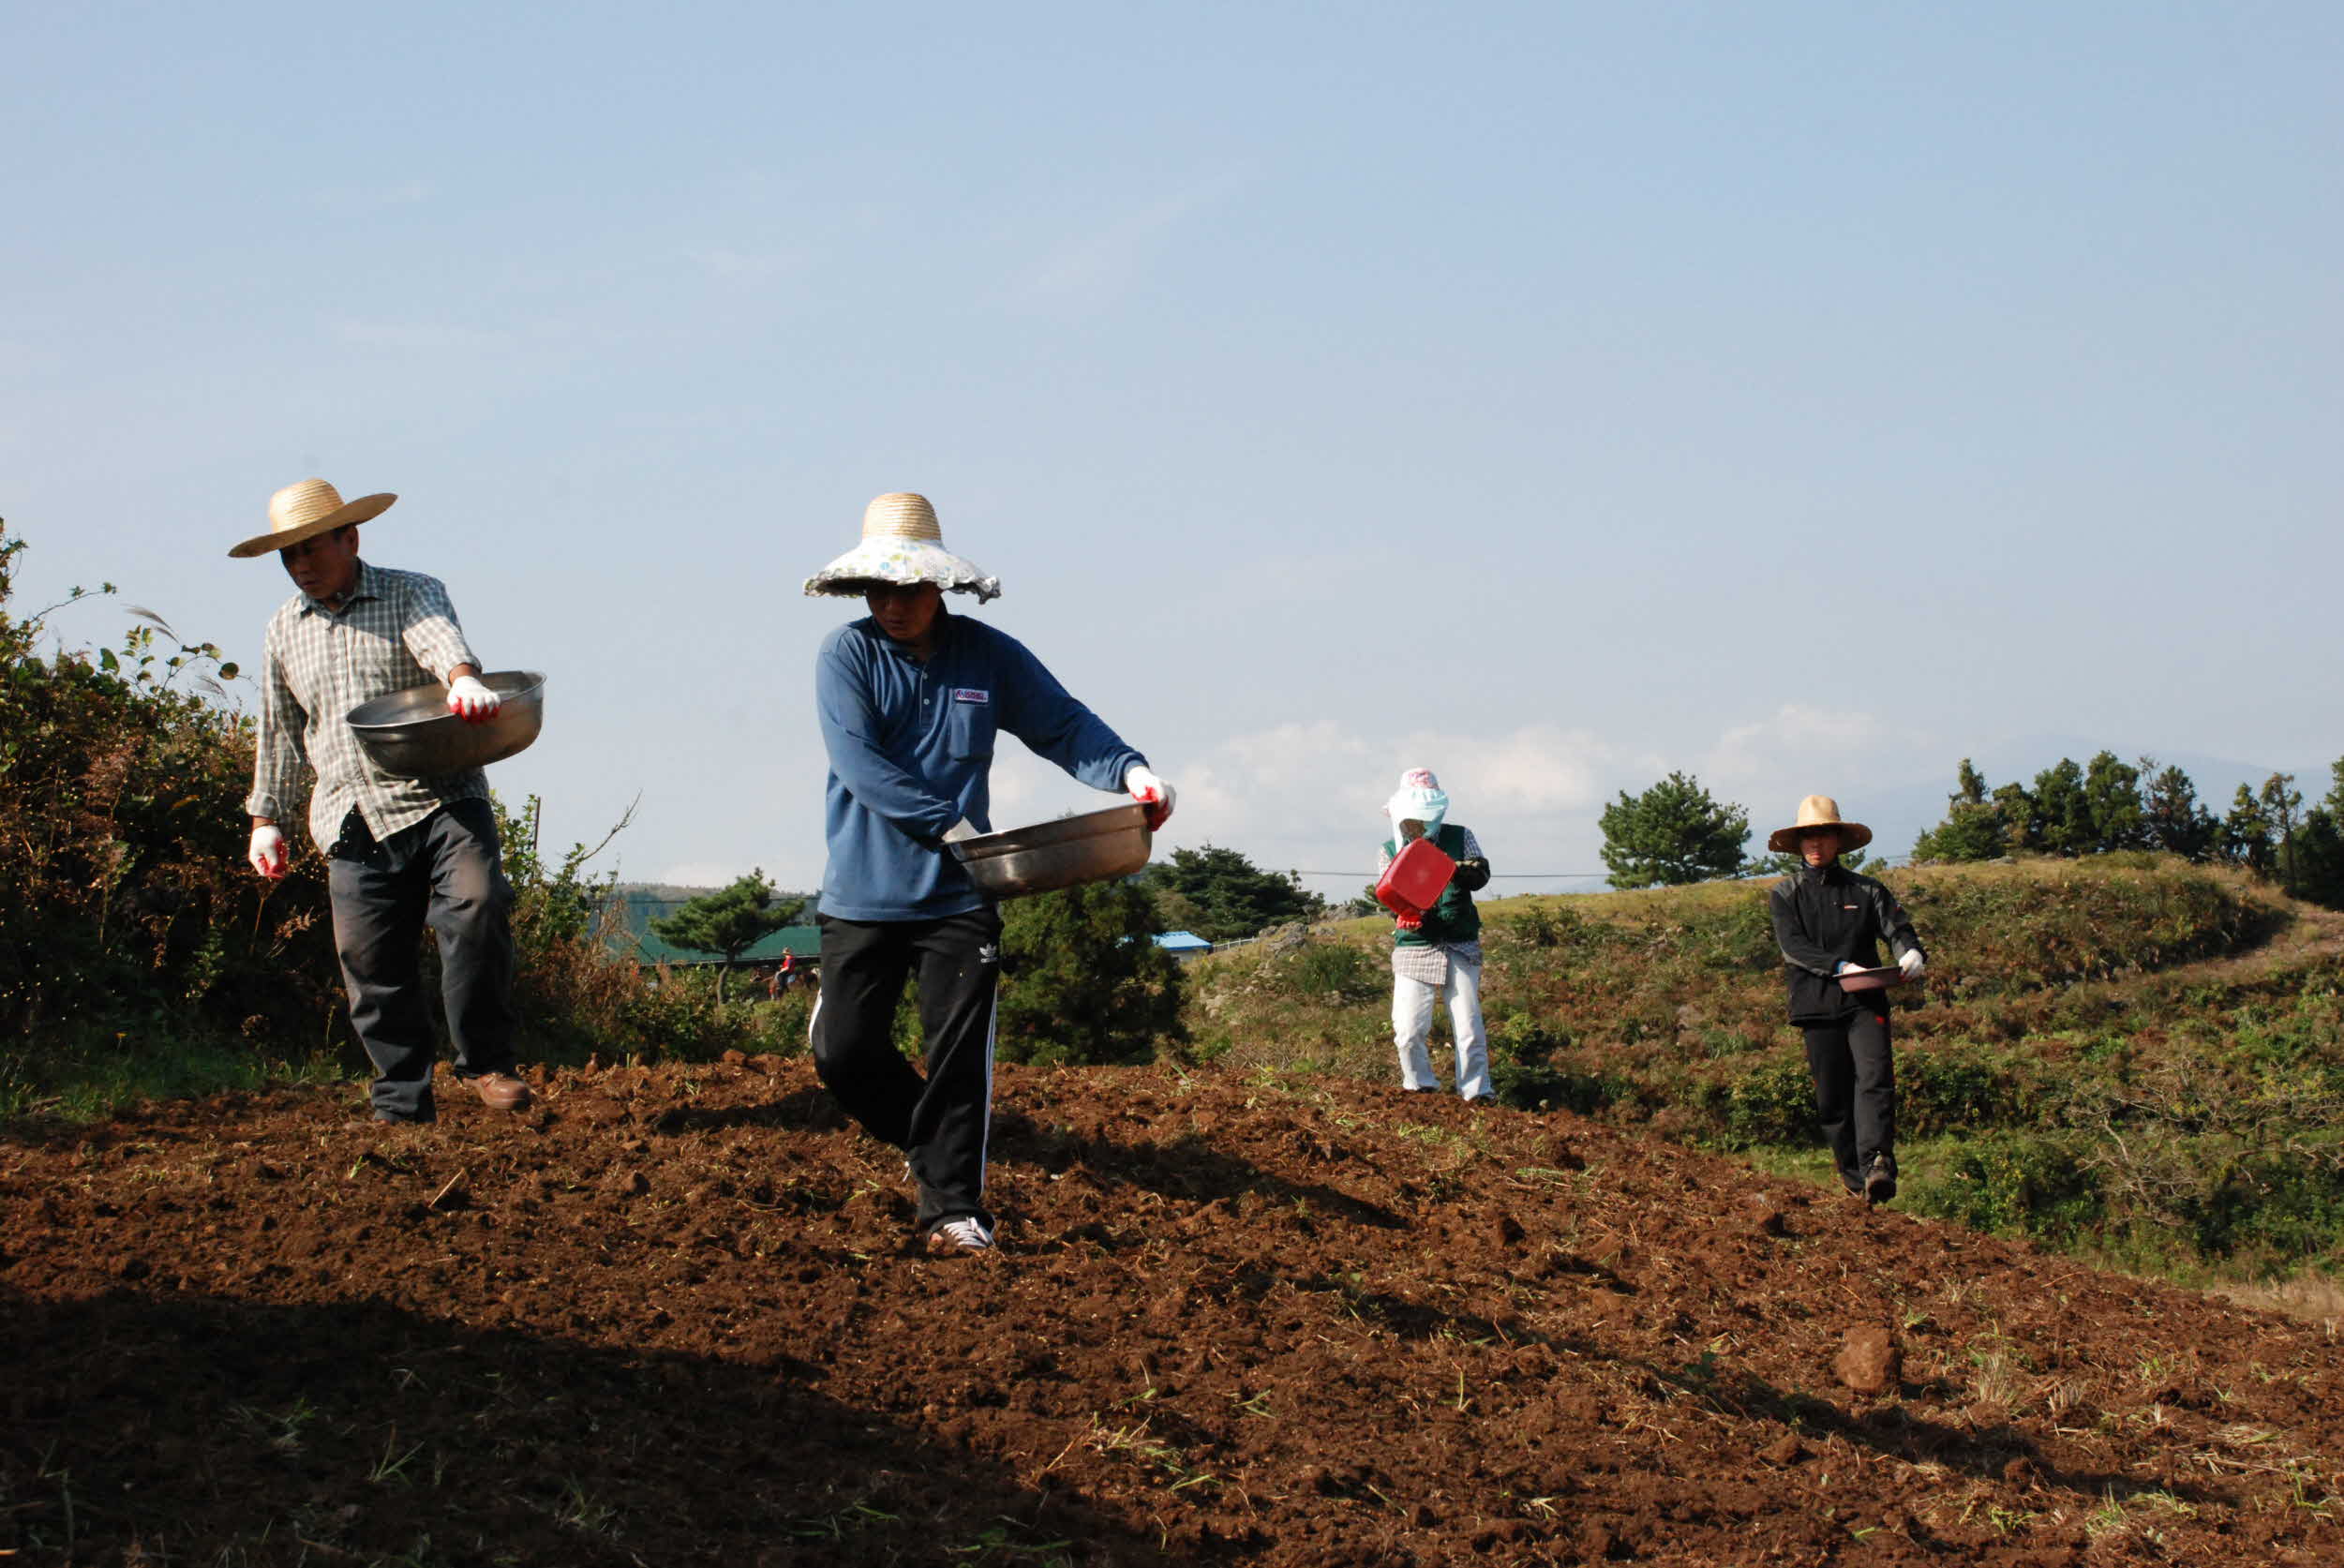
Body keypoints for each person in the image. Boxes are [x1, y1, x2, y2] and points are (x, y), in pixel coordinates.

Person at [804, 492, 1175, 1256]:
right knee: (843, 1054)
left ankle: (952, 1211)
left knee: (958, 1058)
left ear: (937, 585)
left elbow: (1063, 724)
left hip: (959, 897)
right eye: (878, 589)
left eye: (906, 588)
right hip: (865, 891)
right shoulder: (847, 654)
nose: (892, 604)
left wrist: (1133, 772)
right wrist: (952, 824)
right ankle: (929, 1142)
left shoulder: (988, 656)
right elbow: (859, 763)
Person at [233, 478, 531, 1124]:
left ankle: (486, 1061)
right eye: (288, 557)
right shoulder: (284, 629)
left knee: (479, 904)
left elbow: (438, 638)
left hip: (442, 798)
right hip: (350, 814)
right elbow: (281, 728)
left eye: (311, 548)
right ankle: (401, 1100)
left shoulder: (409, 591)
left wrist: (462, 679)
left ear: (351, 537)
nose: (301, 566)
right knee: (370, 963)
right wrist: (267, 819)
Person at [1765, 795, 1926, 1204]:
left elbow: (1898, 928)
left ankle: (1877, 1164)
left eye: (1823, 835)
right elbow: (1793, 948)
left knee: (1874, 1079)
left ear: (1838, 839)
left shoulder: (1868, 890)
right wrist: (1839, 967)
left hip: (1865, 1000)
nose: (1816, 844)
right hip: (1815, 1003)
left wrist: (1910, 953)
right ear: (1799, 844)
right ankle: (1855, 1183)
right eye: (1808, 837)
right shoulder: (1786, 894)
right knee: (1832, 1098)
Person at [1378, 769, 1494, 1102]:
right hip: (1416, 945)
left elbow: (1480, 875)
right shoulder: (1389, 849)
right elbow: (1390, 897)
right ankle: (1420, 1088)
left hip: (1460, 941)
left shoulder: (1462, 837)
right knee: (1408, 1029)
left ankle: (1476, 1093)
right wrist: (1406, 916)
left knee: (1469, 1026)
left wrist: (1454, 867)